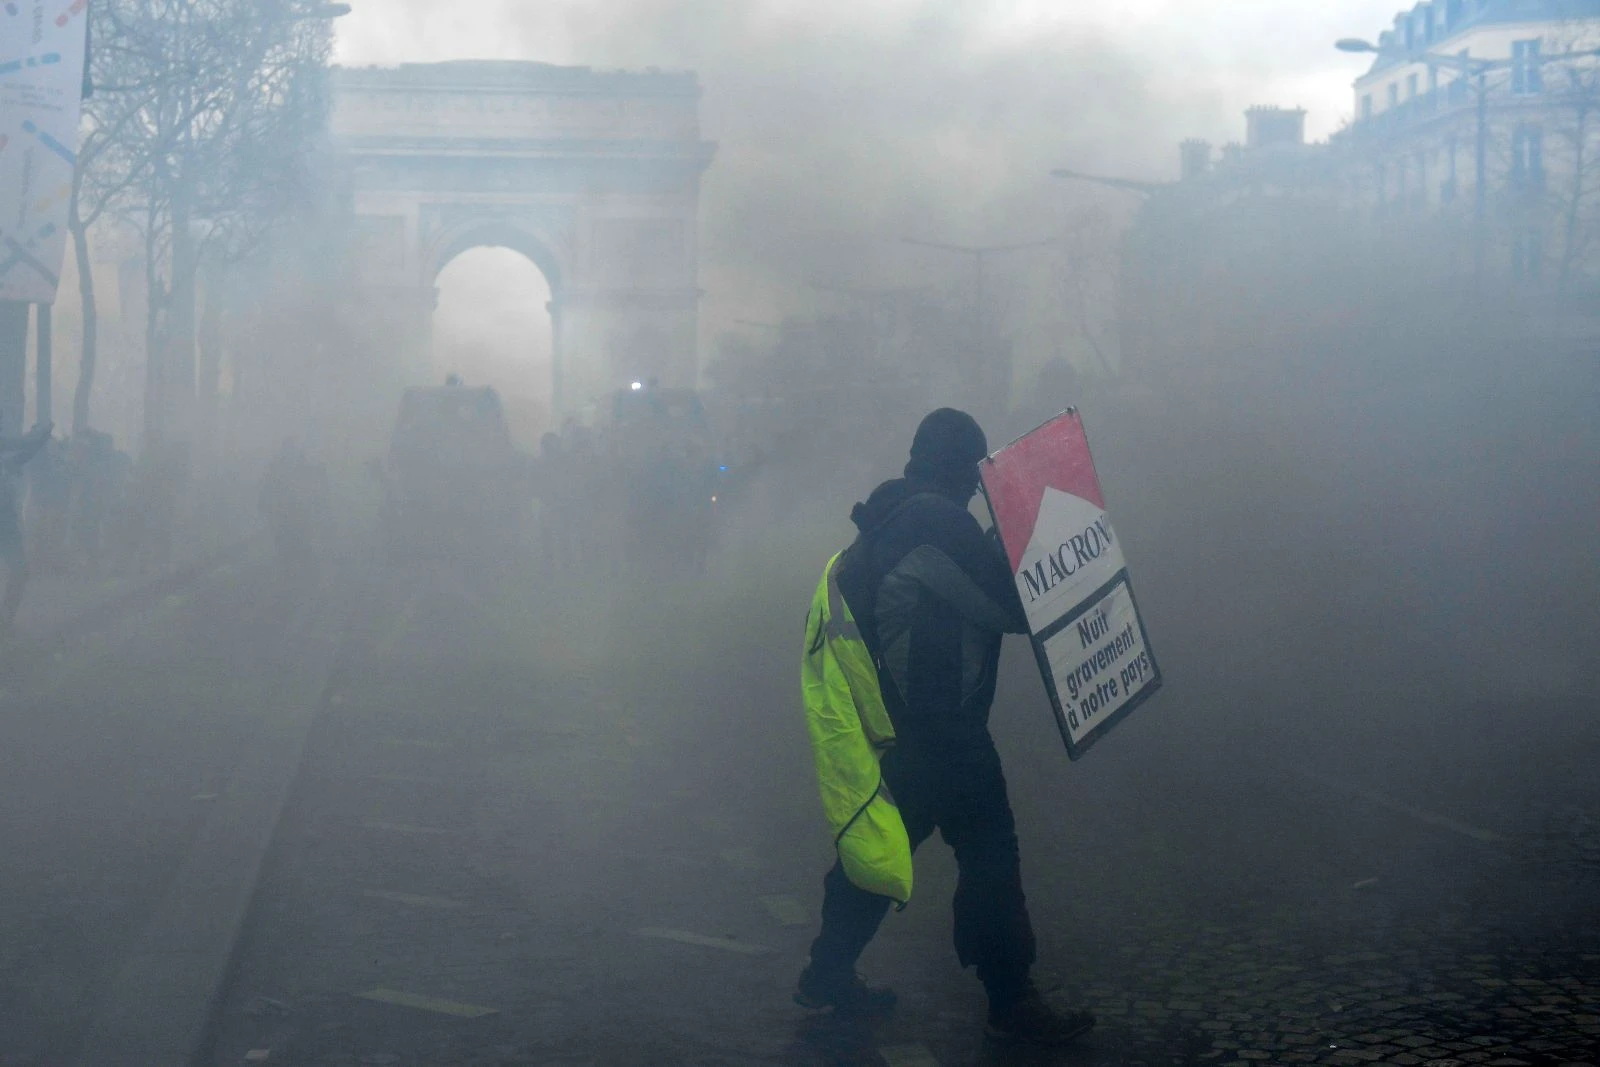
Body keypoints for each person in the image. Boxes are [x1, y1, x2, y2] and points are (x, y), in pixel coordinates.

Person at [794, 407, 1096, 1047]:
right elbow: (1011, 605)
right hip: (945, 731)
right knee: (991, 858)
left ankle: (827, 971)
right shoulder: (936, 522)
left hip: (903, 726)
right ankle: (1013, 1002)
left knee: (878, 854)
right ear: (966, 470)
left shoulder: (888, 519)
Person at [0, 415, 53, 631]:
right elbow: (24, 444)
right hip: (6, 521)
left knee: (20, 570)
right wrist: (38, 435)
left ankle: (6, 621)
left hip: (6, 521)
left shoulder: (4, 461)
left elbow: (24, 453)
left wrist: (41, 438)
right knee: (20, 570)